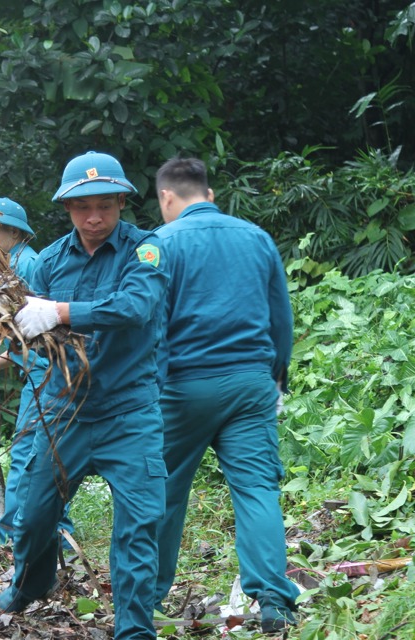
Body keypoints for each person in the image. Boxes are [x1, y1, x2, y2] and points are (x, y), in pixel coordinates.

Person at [0, 151, 169, 640]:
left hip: (129, 412)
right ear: (68, 210)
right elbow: (25, 330)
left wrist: (61, 312)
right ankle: (31, 583)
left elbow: (136, 307)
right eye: (82, 207)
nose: (95, 218)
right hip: (63, 411)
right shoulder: (48, 262)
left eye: (106, 206)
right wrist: (14, 324)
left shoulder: (146, 251)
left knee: (138, 527)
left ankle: (134, 629)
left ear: (121, 203)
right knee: (33, 517)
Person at [151, 157, 300, 633]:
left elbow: (149, 325)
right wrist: (276, 379)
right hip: (251, 385)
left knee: (164, 491)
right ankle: (274, 600)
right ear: (210, 195)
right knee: (257, 489)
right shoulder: (256, 237)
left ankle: (145, 598)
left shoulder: (160, 242)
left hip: (183, 387)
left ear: (166, 198)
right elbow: (281, 319)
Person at [0, 198, 74, 547]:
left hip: (48, 374)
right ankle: (57, 532)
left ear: (14, 232)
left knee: (27, 453)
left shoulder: (29, 266)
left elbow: (40, 332)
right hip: (39, 373)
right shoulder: (7, 267)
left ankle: (7, 537)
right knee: (42, 454)